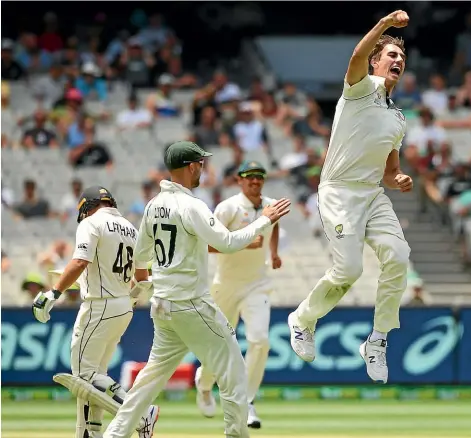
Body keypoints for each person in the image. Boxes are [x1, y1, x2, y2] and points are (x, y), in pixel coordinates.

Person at [103, 141, 291, 438]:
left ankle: (115, 434)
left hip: (163, 305)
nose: (203, 168)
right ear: (191, 167)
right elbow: (227, 243)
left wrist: (144, 284)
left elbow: (141, 255)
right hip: (191, 303)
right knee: (234, 371)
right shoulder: (192, 206)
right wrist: (264, 219)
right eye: (201, 164)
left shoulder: (154, 204)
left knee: (151, 377)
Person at [287, 10, 413, 385]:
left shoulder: (398, 118)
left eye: (402, 59)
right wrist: (385, 26)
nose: (398, 62)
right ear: (376, 61)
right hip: (339, 193)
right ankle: (303, 320)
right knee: (349, 271)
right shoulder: (360, 89)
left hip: (372, 196)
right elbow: (355, 57)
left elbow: (390, 172)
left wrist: (399, 178)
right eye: (392, 55)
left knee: (399, 256)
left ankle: (377, 340)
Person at [31, 186, 159, 438]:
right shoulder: (133, 229)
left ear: (87, 208)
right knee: (94, 379)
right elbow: (143, 278)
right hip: (122, 306)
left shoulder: (91, 223)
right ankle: (89, 434)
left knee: (83, 377)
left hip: (99, 305)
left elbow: (80, 261)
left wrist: (52, 294)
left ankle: (141, 414)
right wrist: (127, 298)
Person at [195, 161, 282, 429]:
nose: (255, 181)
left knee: (260, 341)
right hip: (227, 285)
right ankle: (205, 384)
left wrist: (274, 252)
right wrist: (244, 244)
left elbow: (273, 226)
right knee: (220, 344)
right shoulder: (228, 208)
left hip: (258, 284)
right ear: (239, 180)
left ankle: (246, 400)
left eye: (259, 176)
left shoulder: (271, 204)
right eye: (249, 177)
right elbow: (207, 244)